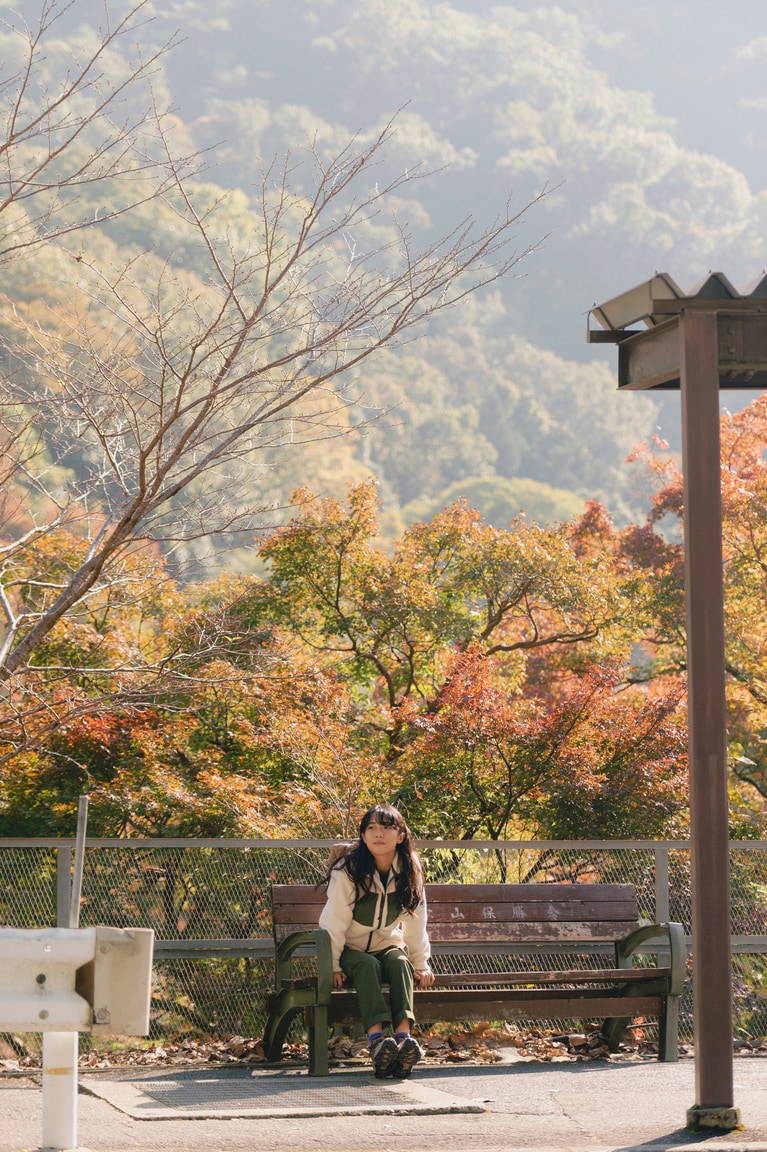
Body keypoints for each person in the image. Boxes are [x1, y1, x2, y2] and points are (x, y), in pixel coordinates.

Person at [319, 804, 435, 1078]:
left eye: (386, 828)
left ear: (401, 835)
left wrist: (421, 962)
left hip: (387, 943)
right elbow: (334, 920)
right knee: (367, 965)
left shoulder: (410, 867)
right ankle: (378, 1043)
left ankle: (404, 1040)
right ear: (363, 835)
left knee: (400, 963)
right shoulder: (348, 868)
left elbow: (416, 918)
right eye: (370, 828)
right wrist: (333, 964)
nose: (378, 834)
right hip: (350, 948)